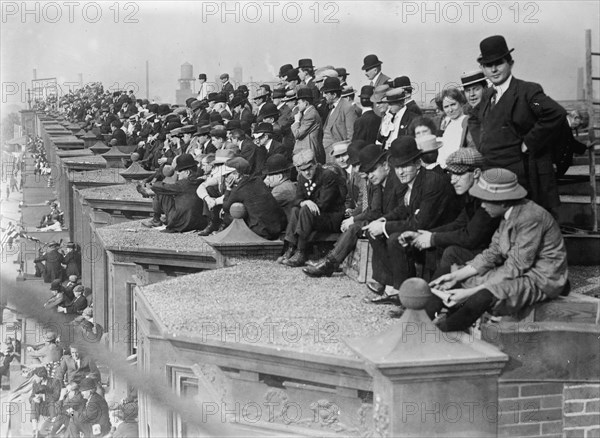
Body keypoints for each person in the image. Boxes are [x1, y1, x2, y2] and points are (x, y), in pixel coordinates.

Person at [429, 168, 568, 332]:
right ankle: (426, 321)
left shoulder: (531, 217)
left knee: (484, 295)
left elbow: (516, 267)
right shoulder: (508, 213)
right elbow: (492, 252)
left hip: (541, 277)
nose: (482, 205)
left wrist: (470, 292)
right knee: (449, 274)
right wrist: (455, 275)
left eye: (485, 200)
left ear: (502, 201)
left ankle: (444, 331)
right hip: (519, 271)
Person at [469, 35, 570, 214]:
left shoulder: (527, 91)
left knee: (525, 222)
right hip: (492, 173)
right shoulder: (487, 95)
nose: (493, 69)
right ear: (482, 68)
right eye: (488, 65)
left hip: (522, 175)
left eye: (498, 63)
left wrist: (529, 142)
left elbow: (556, 113)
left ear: (510, 63)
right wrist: (482, 143)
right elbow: (474, 118)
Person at [363, 136, 457, 303]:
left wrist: (385, 227)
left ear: (418, 164)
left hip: (442, 234)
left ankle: (405, 294)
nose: (400, 172)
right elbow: (405, 208)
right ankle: (396, 287)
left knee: (395, 239)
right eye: (397, 167)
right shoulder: (414, 180)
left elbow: (420, 223)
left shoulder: (432, 183)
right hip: (425, 229)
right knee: (377, 233)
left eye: (405, 166)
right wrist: (383, 221)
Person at [303, 143, 404, 278]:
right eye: (358, 166)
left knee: (355, 227)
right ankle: (330, 260)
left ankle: (329, 263)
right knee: (352, 225)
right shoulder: (372, 180)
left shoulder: (383, 181)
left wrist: (354, 218)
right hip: (381, 218)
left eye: (366, 168)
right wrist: (352, 214)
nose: (361, 170)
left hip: (390, 221)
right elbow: (364, 205)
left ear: (385, 166)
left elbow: (375, 211)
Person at [405, 147, 501, 278]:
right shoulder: (472, 194)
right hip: (483, 250)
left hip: (496, 256)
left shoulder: (489, 198)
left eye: (459, 174)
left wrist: (433, 239)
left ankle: (433, 292)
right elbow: (459, 224)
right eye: (451, 174)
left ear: (477, 172)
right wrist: (426, 234)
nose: (452, 180)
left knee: (452, 252)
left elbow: (471, 238)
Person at [279, 149, 346, 267]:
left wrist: (307, 203)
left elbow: (323, 204)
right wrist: (304, 202)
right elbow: (297, 200)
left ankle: (301, 251)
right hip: (313, 216)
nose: (307, 173)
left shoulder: (327, 175)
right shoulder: (302, 177)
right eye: (303, 170)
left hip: (331, 217)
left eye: (309, 168)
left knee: (305, 209)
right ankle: (290, 248)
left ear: (315, 164)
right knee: (296, 210)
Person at [140, 154, 208, 233]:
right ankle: (151, 196)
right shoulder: (201, 181)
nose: (177, 174)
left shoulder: (183, 184)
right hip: (201, 222)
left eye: (179, 171)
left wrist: (153, 185)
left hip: (183, 223)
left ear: (187, 172)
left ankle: (156, 219)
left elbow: (162, 187)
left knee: (161, 191)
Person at [222, 157, 286, 240]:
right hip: (278, 228)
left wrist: (228, 189)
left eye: (227, 174)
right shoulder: (259, 181)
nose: (225, 177)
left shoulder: (239, 189)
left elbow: (226, 207)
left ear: (237, 175)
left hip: (261, 232)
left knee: (229, 214)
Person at [321, 77, 358, 160]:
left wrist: (344, 156)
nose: (323, 96)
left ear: (334, 95)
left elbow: (351, 135)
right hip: (329, 154)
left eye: (326, 93)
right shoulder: (329, 107)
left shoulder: (347, 107)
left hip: (340, 155)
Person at [439, 87, 471, 166]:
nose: (450, 110)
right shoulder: (448, 125)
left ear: (461, 103)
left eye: (453, 104)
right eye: (446, 107)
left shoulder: (467, 121)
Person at [292, 87, 325, 164]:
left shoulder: (311, 114)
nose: (297, 105)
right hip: (305, 150)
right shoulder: (307, 113)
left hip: (308, 151)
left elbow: (297, 134)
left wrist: (296, 121)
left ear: (306, 103)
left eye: (299, 103)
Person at [263, 154, 297, 224]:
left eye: (269, 175)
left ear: (279, 176)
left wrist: (263, 185)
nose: (267, 178)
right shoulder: (288, 185)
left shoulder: (280, 190)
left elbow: (264, 205)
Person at [29, 366, 61, 438]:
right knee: (34, 402)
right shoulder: (35, 383)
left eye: (36, 377)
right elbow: (30, 397)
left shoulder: (55, 382)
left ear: (42, 378)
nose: (34, 379)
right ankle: (35, 430)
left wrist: (43, 396)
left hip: (52, 409)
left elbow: (56, 397)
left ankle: (52, 429)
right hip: (41, 408)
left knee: (51, 402)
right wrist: (34, 399)